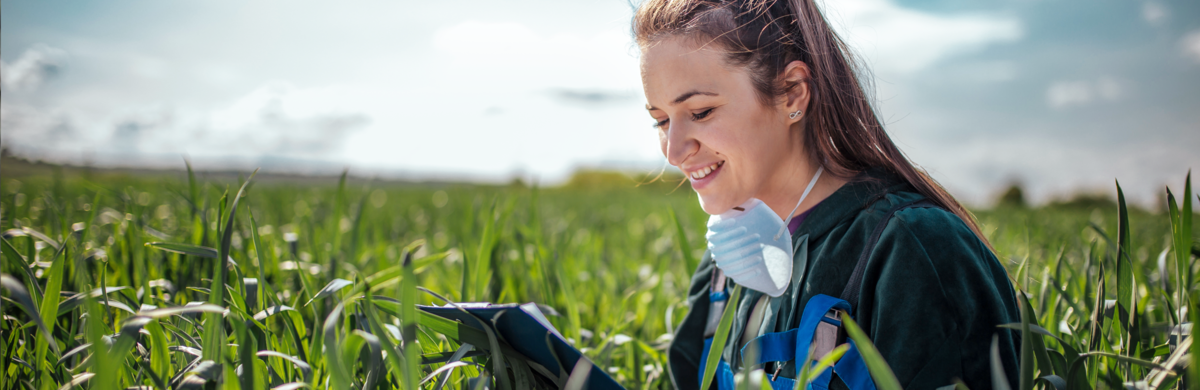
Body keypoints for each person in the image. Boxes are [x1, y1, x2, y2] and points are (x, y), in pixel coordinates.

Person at [633, 0, 1022, 389]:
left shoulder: (916, 250)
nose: (674, 151)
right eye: (661, 121)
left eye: (700, 112)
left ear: (792, 93)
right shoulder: (723, 268)